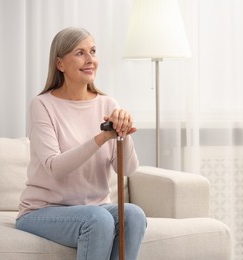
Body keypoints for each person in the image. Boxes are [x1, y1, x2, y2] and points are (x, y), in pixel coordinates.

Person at [16, 27, 147, 260]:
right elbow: (55, 167)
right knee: (98, 220)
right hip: (44, 210)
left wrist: (123, 134)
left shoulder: (108, 104)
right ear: (60, 64)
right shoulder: (42, 105)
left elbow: (127, 170)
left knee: (134, 215)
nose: (90, 60)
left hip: (96, 208)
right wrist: (100, 139)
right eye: (80, 53)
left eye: (93, 51)